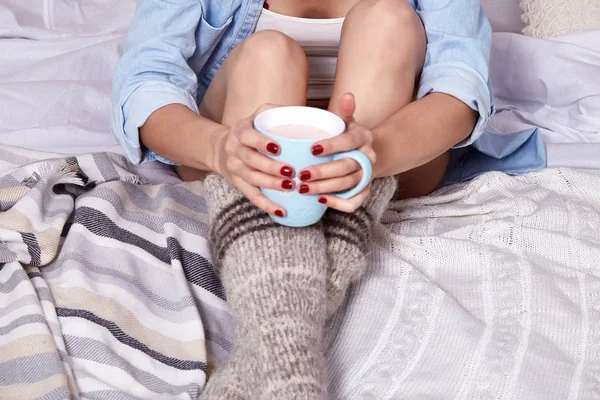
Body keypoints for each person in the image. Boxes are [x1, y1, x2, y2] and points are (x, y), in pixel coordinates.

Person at [110, 0, 492, 397]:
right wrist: (217, 147)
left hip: (388, 151)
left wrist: (369, 153)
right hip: (238, 146)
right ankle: (289, 349)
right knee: (269, 52)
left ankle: (277, 338)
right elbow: (145, 83)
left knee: (388, 18)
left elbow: (461, 88)